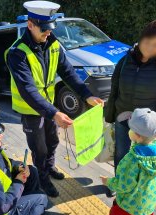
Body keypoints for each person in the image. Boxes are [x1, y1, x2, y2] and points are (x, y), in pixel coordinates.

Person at [6, 1, 104, 197]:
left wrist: (87, 96)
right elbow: (28, 90)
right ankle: (43, 179)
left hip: (49, 106)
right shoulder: (17, 53)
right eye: (43, 29)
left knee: (52, 142)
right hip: (30, 110)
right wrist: (55, 113)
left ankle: (49, 168)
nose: (48, 33)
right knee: (39, 148)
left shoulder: (53, 44)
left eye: (50, 28)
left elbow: (68, 73)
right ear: (30, 25)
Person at [105, 20, 156, 177]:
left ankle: (137, 194)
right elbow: (114, 90)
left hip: (147, 127)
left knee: (143, 161)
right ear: (141, 38)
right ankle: (119, 185)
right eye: (147, 42)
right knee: (121, 156)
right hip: (123, 121)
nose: (149, 48)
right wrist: (109, 115)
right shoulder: (126, 60)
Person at [101, 108, 156, 215]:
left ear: (136, 136)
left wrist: (108, 182)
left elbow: (124, 185)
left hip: (128, 206)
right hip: (148, 206)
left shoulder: (133, 159)